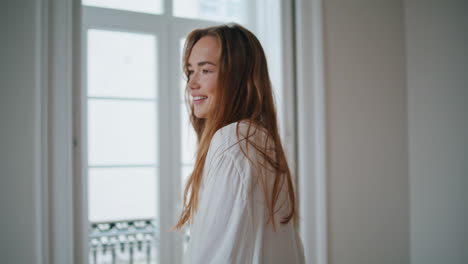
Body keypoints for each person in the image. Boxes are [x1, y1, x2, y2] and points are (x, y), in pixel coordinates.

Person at [173, 23, 305, 264]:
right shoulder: (259, 140)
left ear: (237, 78)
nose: (191, 84)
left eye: (206, 70)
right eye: (190, 71)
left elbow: (215, 256)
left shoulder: (234, 142)